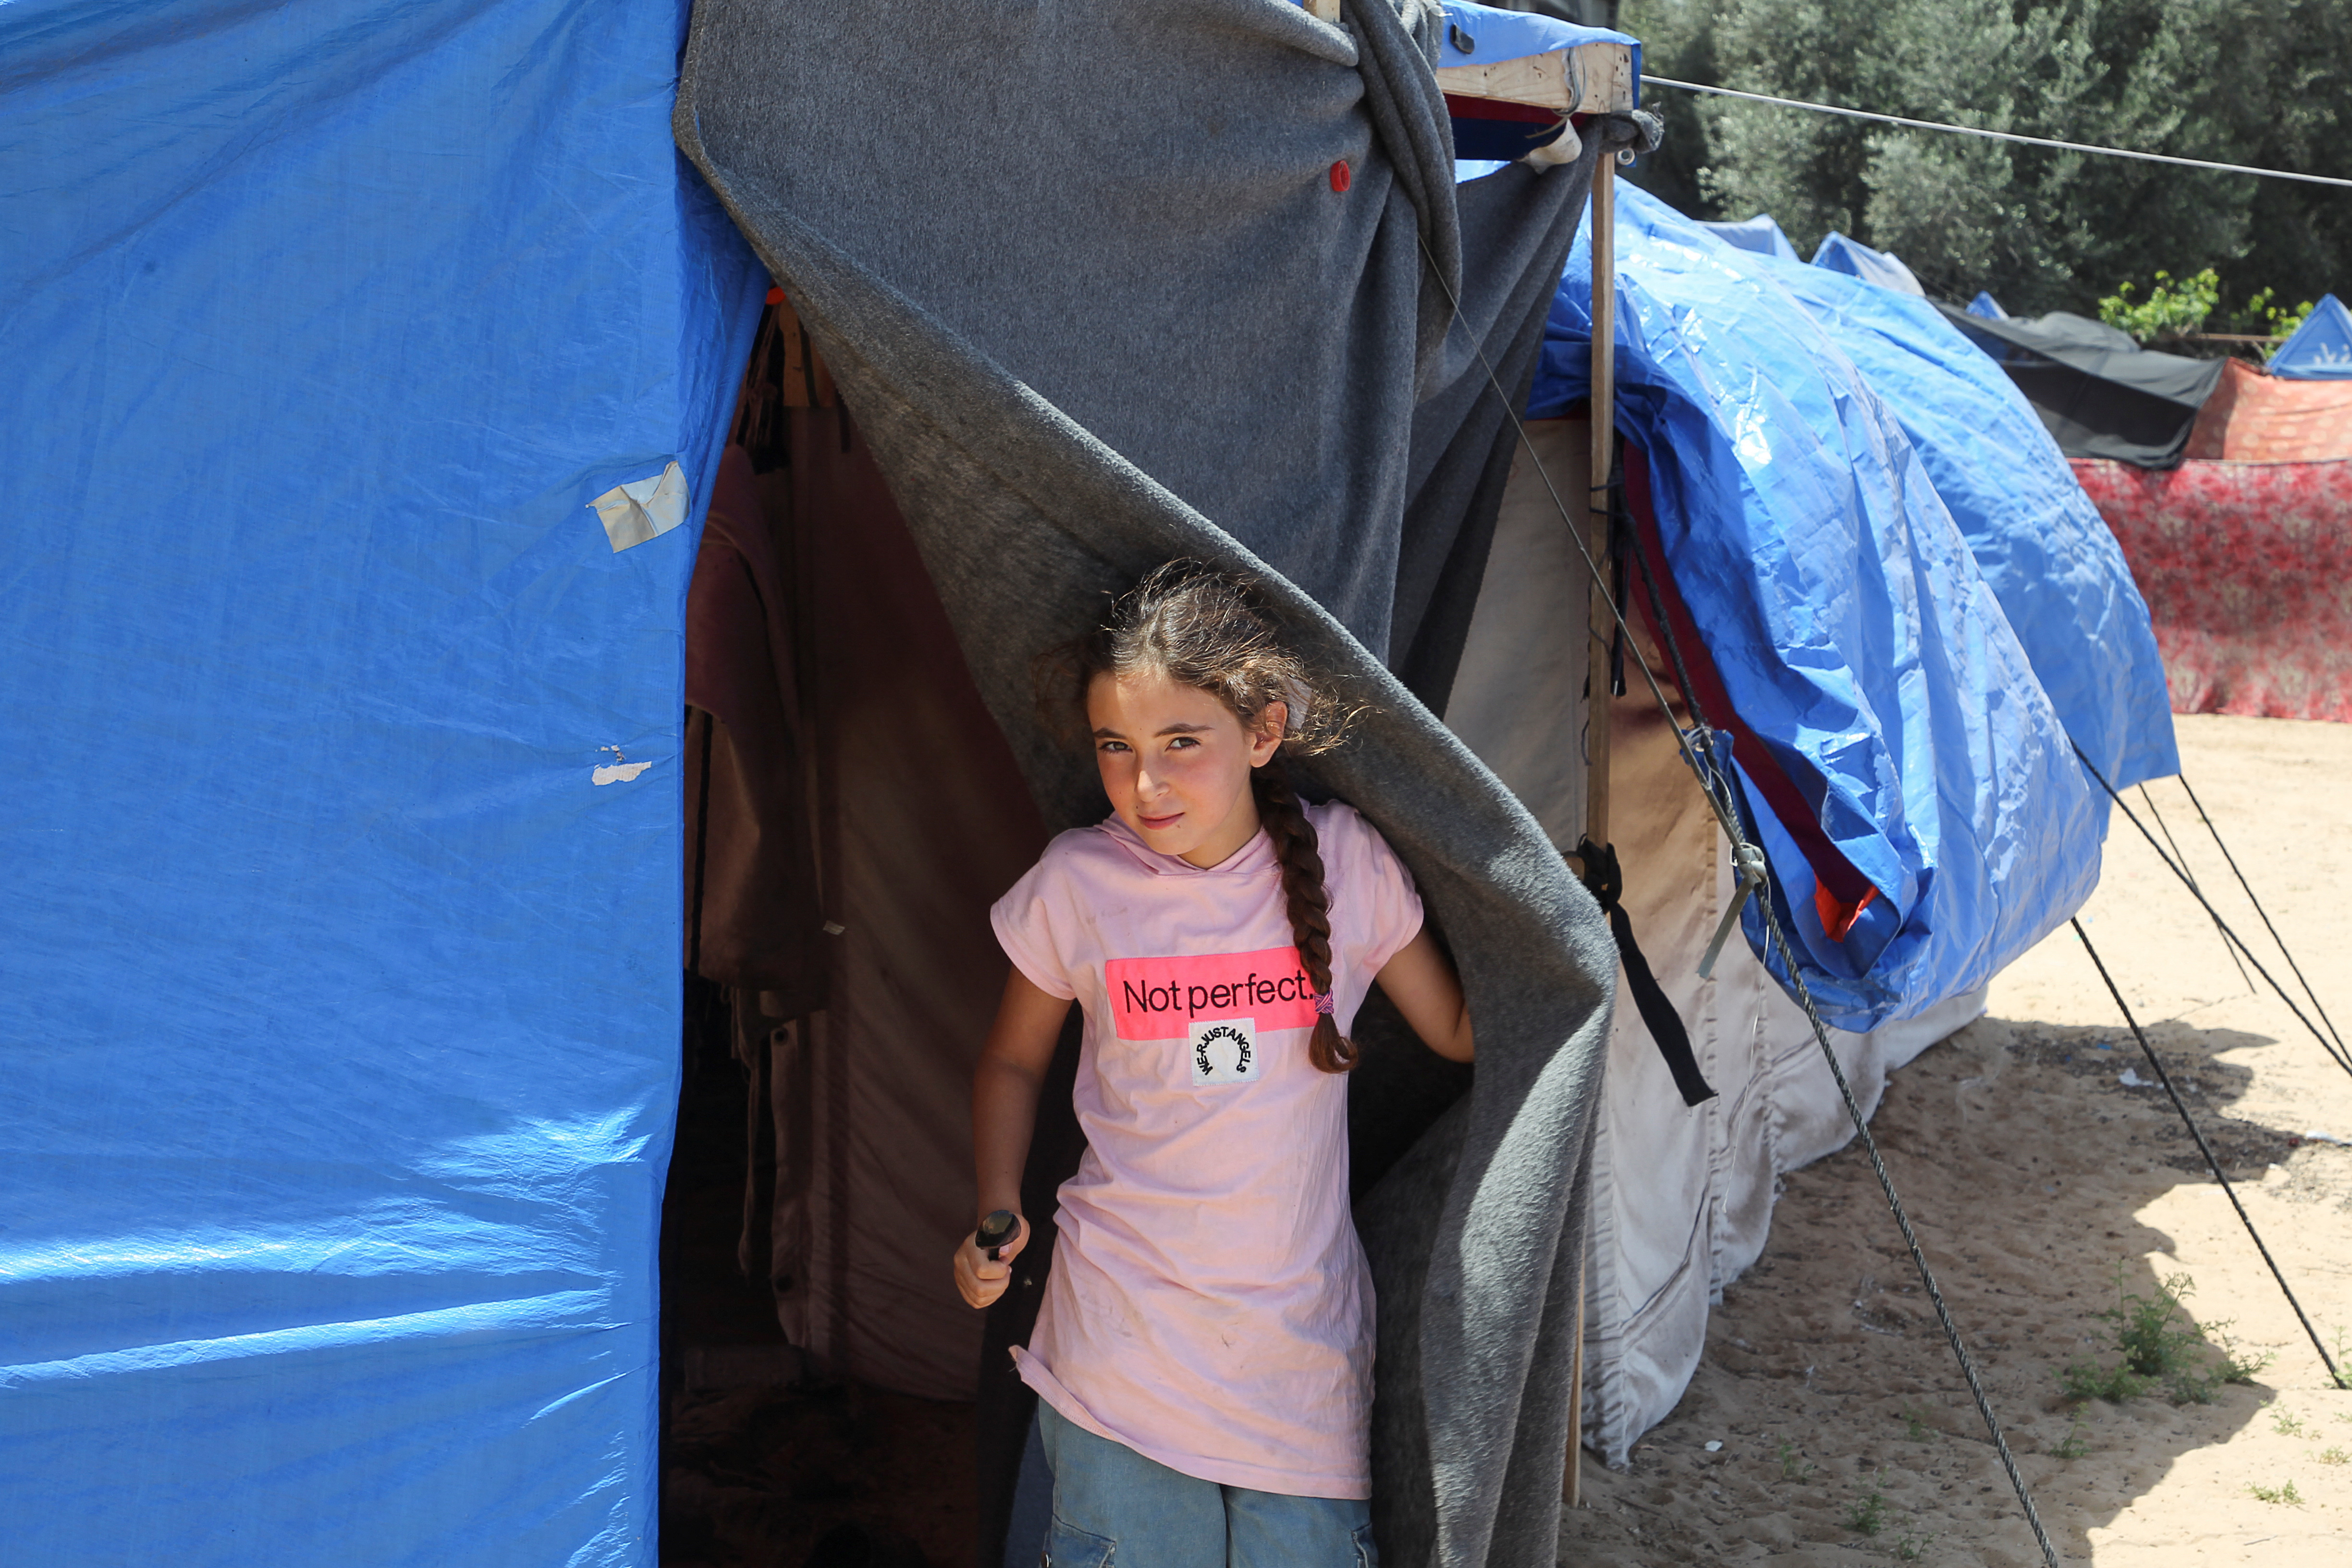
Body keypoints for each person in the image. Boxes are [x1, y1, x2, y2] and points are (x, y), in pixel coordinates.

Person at [951, 561, 1476, 1568]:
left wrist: (1574, 939)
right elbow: (1010, 1064)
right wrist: (996, 1208)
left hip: (1300, 1362)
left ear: (1264, 732)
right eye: (1117, 747)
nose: (1144, 784)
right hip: (1122, 1349)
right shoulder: (1079, 881)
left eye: (1181, 743)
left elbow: (1460, 1032)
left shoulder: (1346, 865)